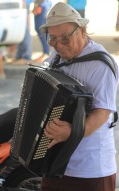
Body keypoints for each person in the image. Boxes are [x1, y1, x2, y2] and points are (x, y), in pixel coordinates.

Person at [39, 2, 118, 191]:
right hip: (54, 164)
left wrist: (71, 132)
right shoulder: (55, 59)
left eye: (65, 38)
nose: (58, 45)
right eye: (53, 39)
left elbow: (102, 112)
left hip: (89, 169)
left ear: (82, 30)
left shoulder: (100, 64)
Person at [11, 0, 33, 65]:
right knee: (20, 28)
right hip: (19, 2)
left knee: (24, 28)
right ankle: (20, 56)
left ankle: (26, 57)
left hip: (22, 2)